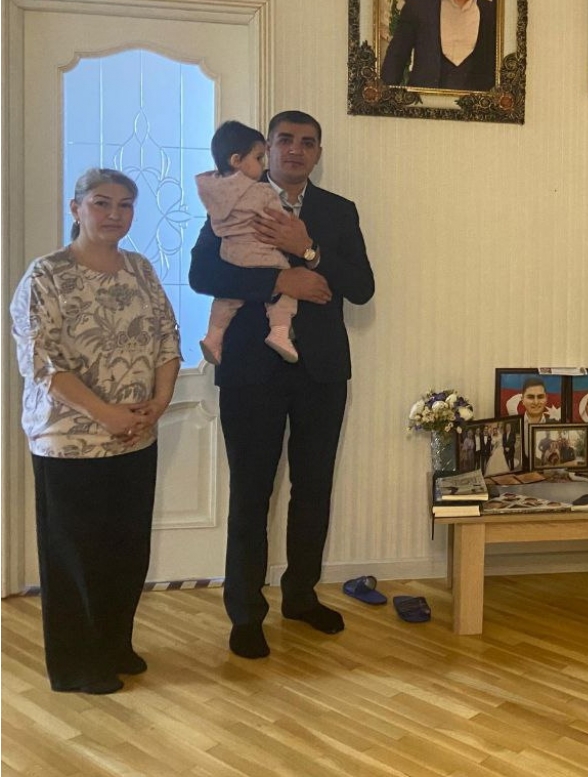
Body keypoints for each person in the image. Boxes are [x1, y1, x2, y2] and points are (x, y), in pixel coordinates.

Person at [189, 110, 374, 660]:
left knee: (313, 491)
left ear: (318, 153)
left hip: (321, 372)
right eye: (285, 140)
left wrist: (309, 248)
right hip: (251, 371)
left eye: (307, 143)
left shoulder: (338, 211)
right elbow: (203, 274)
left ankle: (300, 596)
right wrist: (279, 278)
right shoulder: (234, 195)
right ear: (266, 149)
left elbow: (362, 287)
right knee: (252, 494)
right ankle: (245, 614)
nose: (296, 150)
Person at [10, 168, 180, 694]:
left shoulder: (141, 269)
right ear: (76, 208)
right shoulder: (46, 274)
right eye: (102, 203)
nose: (114, 214)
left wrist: (159, 402)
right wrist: (105, 414)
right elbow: (41, 362)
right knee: (76, 558)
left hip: (136, 436)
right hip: (70, 441)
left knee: (126, 551)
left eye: (125, 205)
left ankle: (113, 645)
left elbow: (168, 339)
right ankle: (77, 665)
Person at [195, 120, 298, 366]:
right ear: (236, 160)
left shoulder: (214, 195)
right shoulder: (262, 192)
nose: (263, 164)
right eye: (259, 157)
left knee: (226, 299)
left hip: (231, 253)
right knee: (286, 292)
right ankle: (280, 332)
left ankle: (213, 337)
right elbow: (280, 223)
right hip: (261, 254)